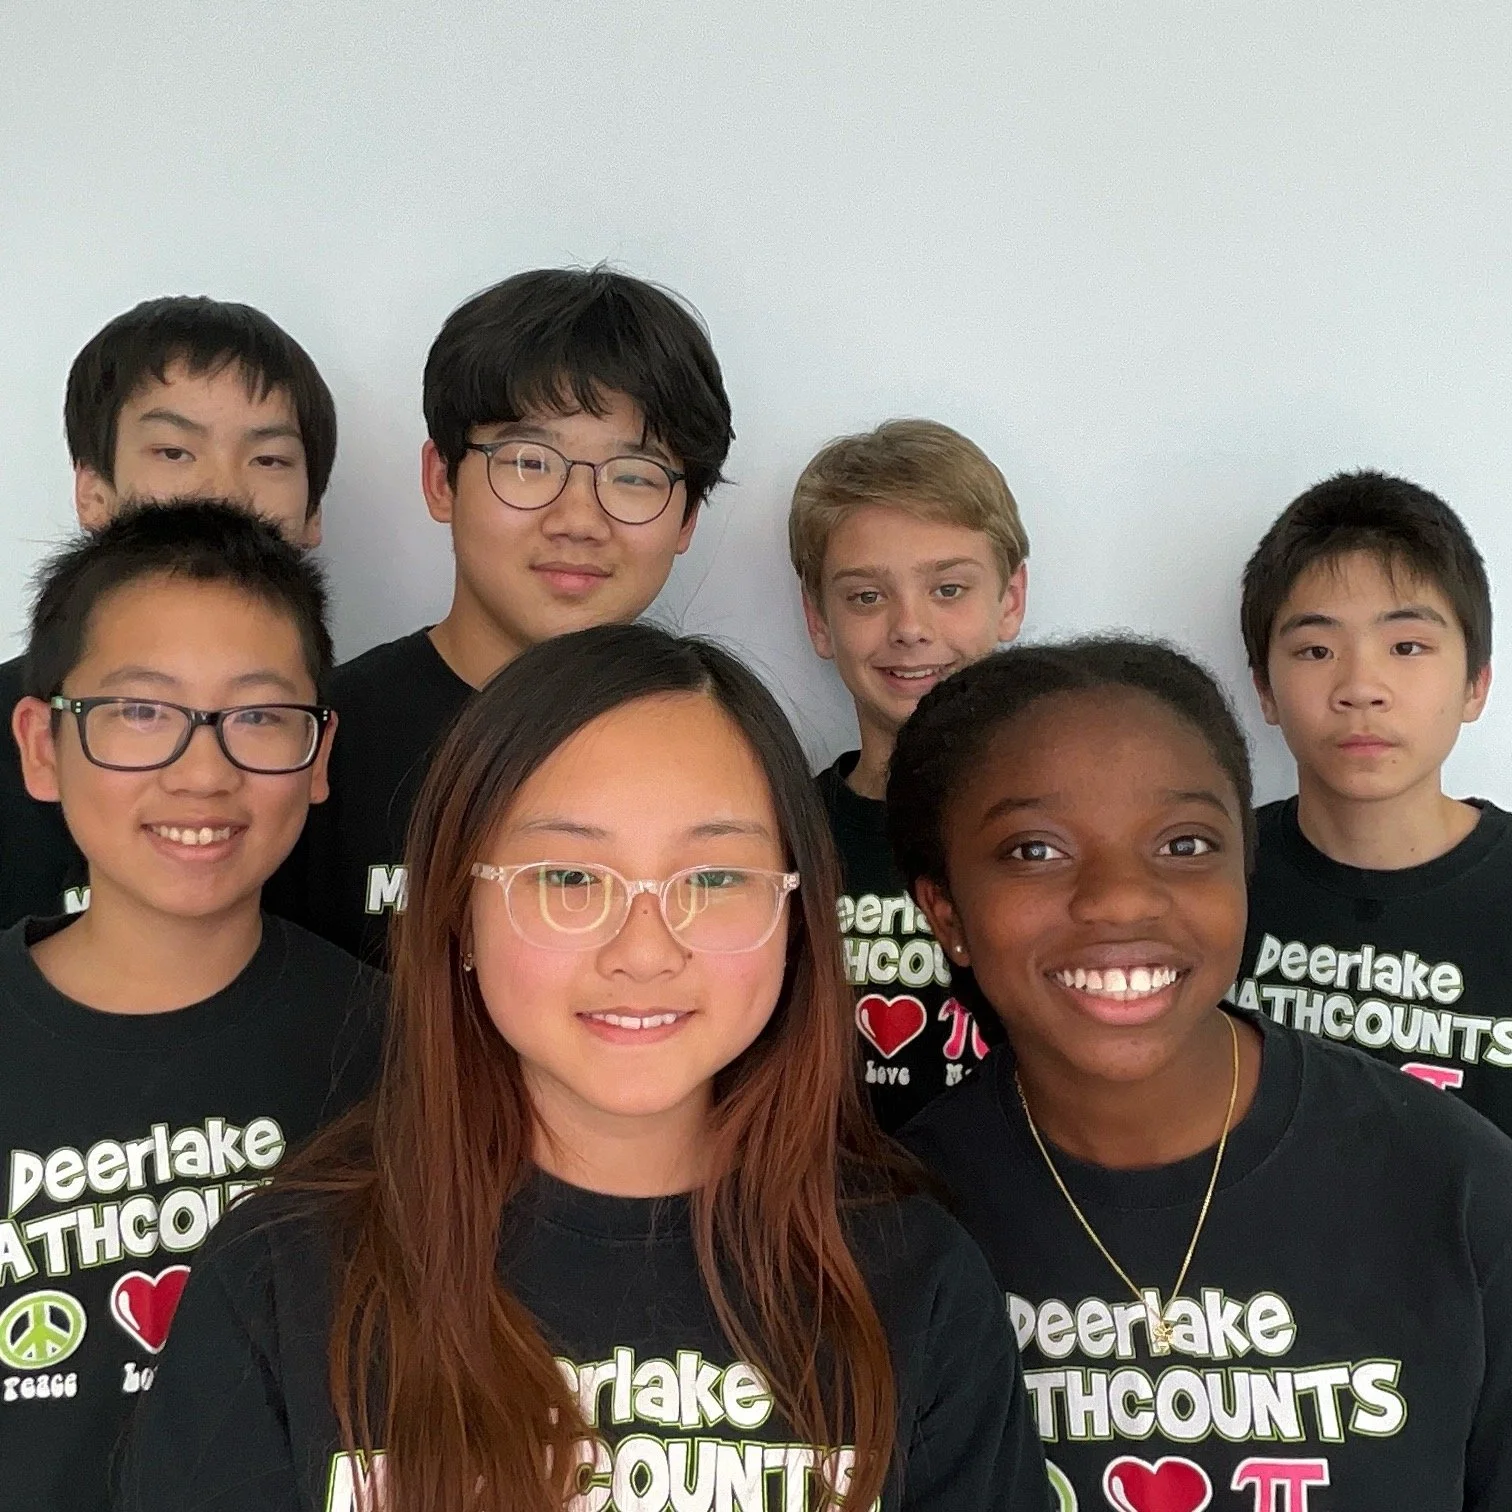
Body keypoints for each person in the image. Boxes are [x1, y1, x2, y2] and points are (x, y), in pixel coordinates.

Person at [116, 624, 1051, 1512]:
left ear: (796, 920)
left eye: (715, 880)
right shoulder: (284, 1274)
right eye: (567, 878)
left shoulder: (912, 1279)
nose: (643, 951)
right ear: (457, 914)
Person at [892, 637, 1512, 1510]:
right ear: (946, 912)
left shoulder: (1459, 1187)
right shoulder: (884, 1223)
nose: (1120, 898)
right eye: (1035, 850)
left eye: (1185, 843)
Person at [1, 502, 381, 1512]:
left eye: (259, 716)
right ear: (43, 745)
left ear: (320, 751)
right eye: (140, 712)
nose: (204, 772)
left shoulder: (396, 1047)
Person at [274, 266, 735, 965]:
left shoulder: (724, 749)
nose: (579, 519)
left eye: (635, 475)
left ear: (686, 518)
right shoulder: (321, 743)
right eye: (528, 462)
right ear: (441, 480)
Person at [0, 294, 338, 930]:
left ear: (313, 511)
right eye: (174, 453)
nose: (223, 491)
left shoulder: (340, 734)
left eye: (269, 459)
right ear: (93, 491)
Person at [1231, 470, 1512, 1133]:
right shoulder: (1206, 878)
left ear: (1476, 683)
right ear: (1265, 690)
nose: (1361, 687)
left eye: (1407, 646)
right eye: (1316, 649)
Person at [788, 418, 1028, 1130]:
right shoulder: (784, 832)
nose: (909, 627)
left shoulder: (1065, 828)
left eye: (948, 589)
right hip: (823, 1215)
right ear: (819, 620)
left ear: (1009, 601)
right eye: (867, 596)